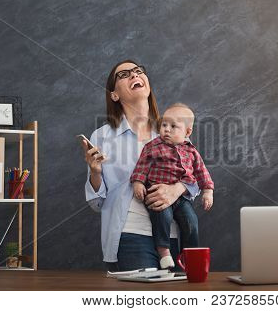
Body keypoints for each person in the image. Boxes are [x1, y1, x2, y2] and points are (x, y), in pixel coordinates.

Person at [81, 60, 199, 272]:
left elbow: (194, 181)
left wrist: (176, 190)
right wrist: (95, 172)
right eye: (124, 74)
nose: (134, 75)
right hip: (130, 236)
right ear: (114, 95)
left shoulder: (174, 129)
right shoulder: (102, 137)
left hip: (172, 235)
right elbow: (96, 203)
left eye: (137, 71)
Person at [131, 103, 214, 269]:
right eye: (164, 125)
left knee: (191, 221)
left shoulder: (191, 152)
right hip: (156, 191)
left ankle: (190, 254)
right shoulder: (153, 146)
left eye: (173, 126)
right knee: (162, 216)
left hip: (181, 199)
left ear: (187, 132)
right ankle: (164, 252)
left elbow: (201, 173)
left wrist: (208, 192)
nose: (166, 129)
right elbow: (141, 167)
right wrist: (138, 182)